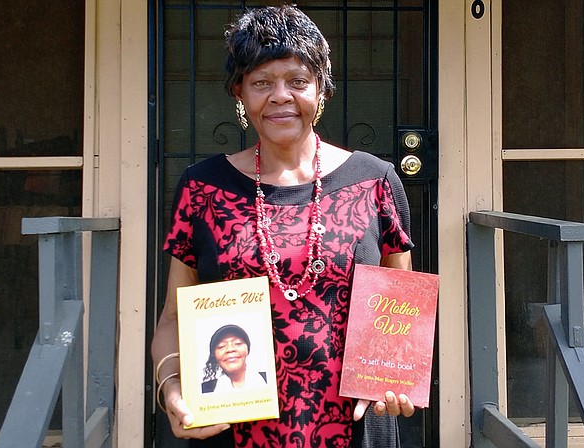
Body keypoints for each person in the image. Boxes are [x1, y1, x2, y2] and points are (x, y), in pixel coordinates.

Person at [151, 5, 416, 447]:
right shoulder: (202, 188)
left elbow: (399, 315)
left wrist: (397, 376)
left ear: (321, 91)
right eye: (261, 82)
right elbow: (173, 318)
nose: (280, 96)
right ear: (240, 93)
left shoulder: (375, 180)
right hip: (231, 431)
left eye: (297, 81)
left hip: (354, 429)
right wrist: (172, 391)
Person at [201, 324, 268, 393]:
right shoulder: (204, 390)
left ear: (247, 349)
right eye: (221, 346)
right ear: (214, 355)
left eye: (237, 343)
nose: (230, 349)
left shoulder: (270, 379)